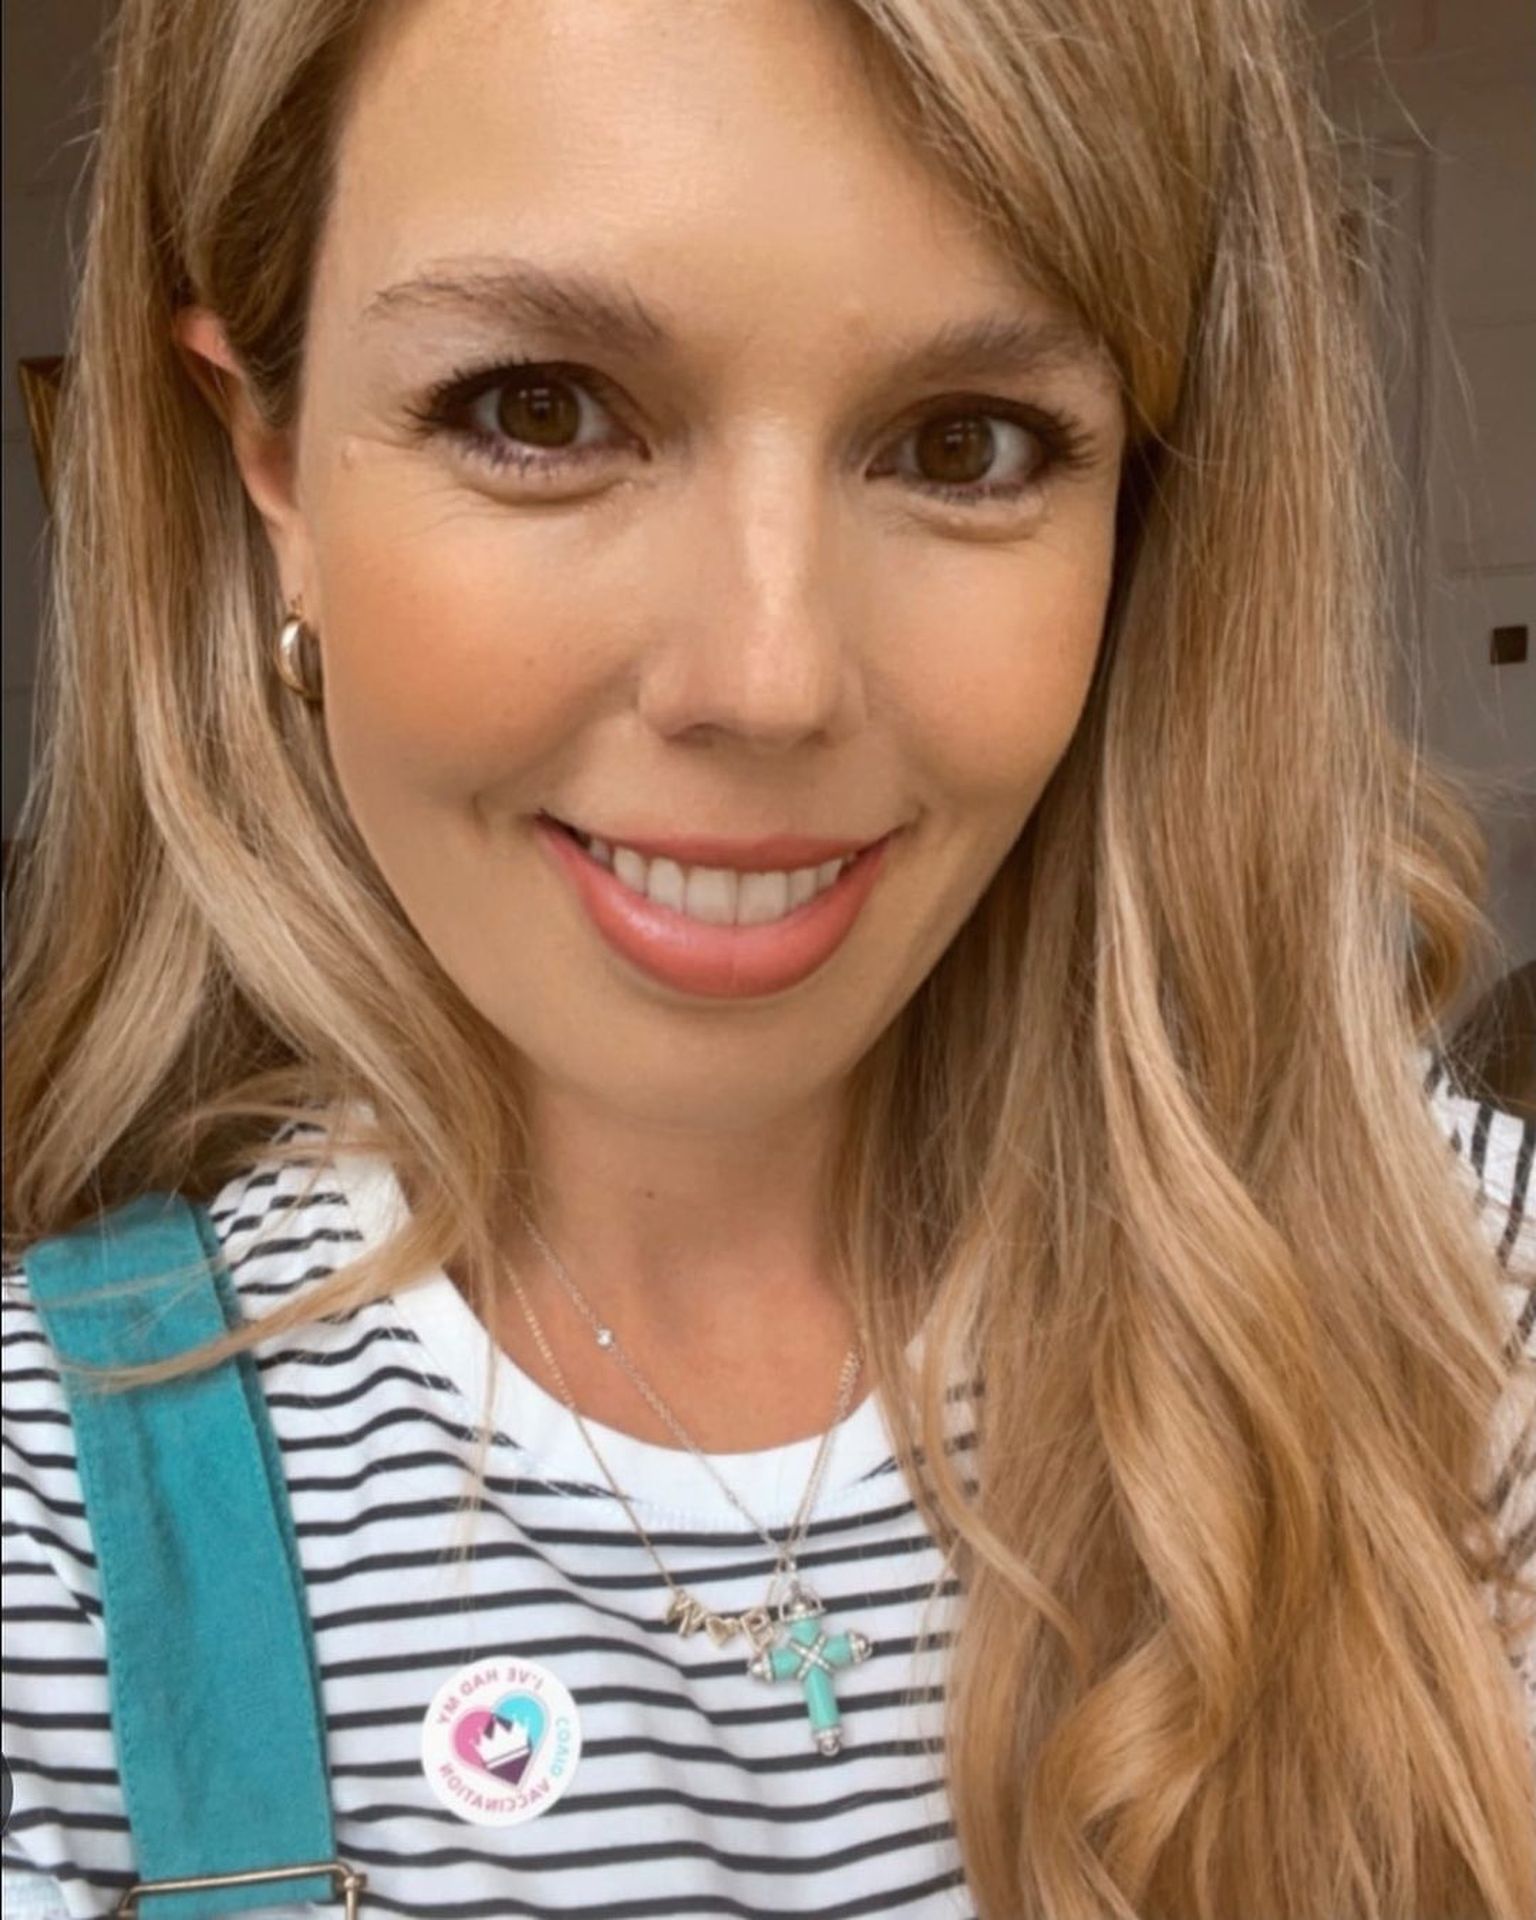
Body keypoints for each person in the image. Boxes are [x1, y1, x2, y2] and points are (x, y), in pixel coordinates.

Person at [2, 0, 1533, 1914]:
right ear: (274, 464)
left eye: (966, 444)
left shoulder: (1461, 1305)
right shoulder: (57, 1537)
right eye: (540, 408)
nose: (769, 677)